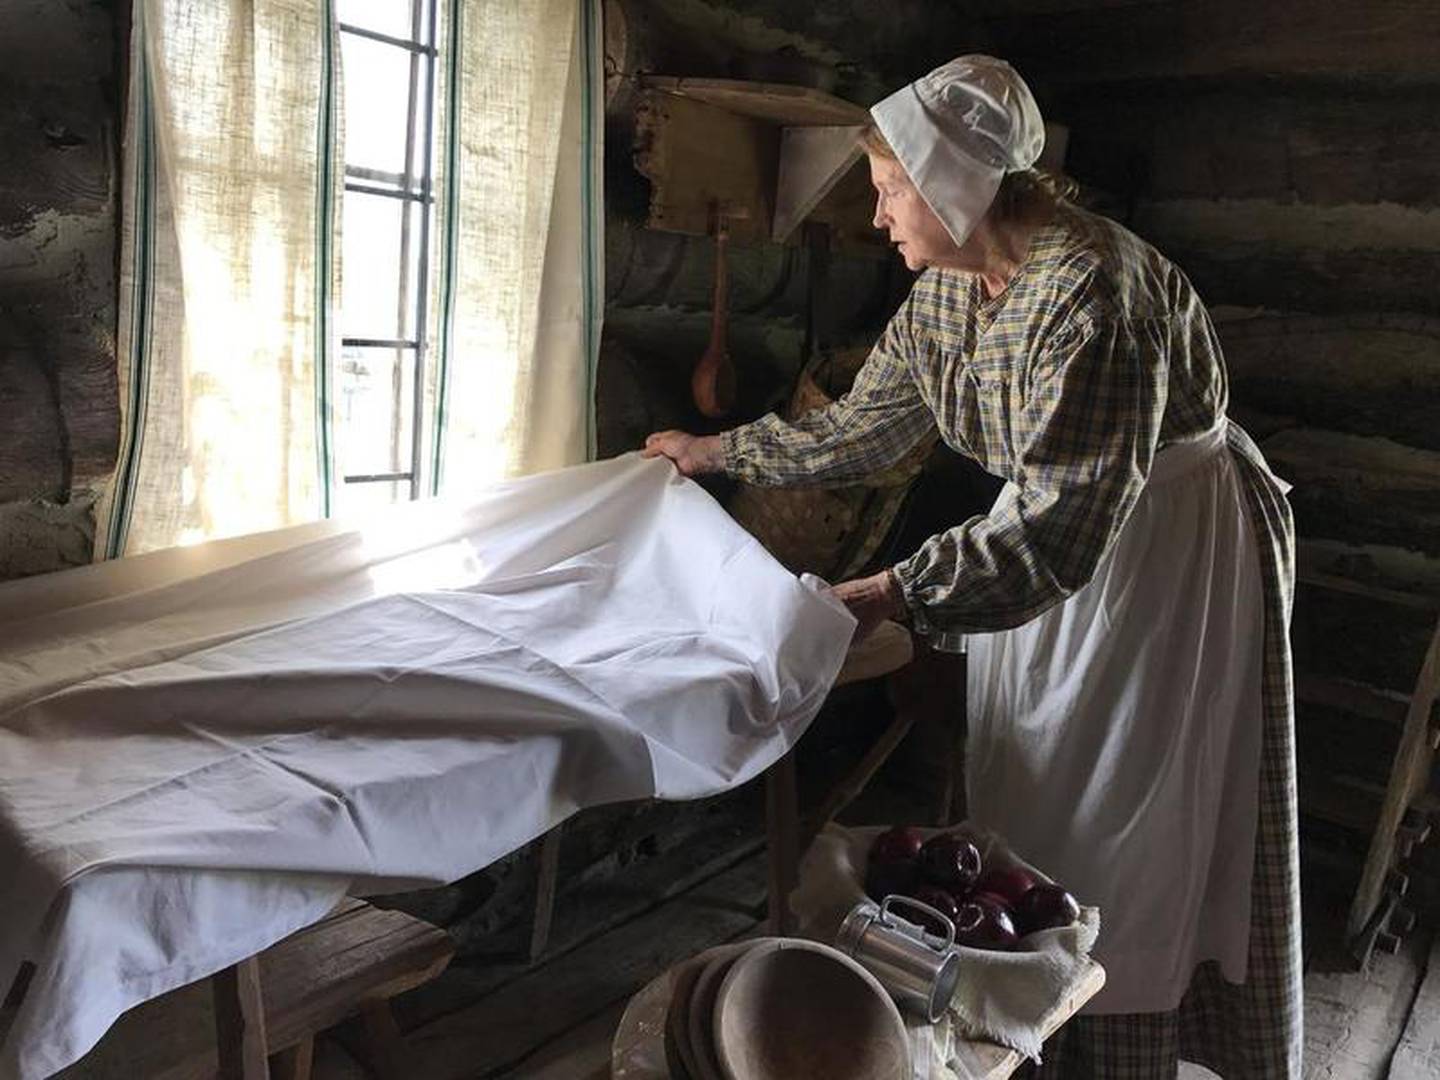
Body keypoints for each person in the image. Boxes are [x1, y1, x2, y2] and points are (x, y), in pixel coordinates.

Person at [643, 55, 1301, 1079]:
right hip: (1054, 543)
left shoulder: (1092, 299)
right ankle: (1033, 1014)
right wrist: (717, 452)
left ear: (958, 184)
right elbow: (868, 430)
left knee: (1132, 811)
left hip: (1161, 557)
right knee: (1036, 795)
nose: (878, 216)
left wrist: (892, 590)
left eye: (890, 188)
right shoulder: (951, 294)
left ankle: (1118, 1042)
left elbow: (1057, 530)